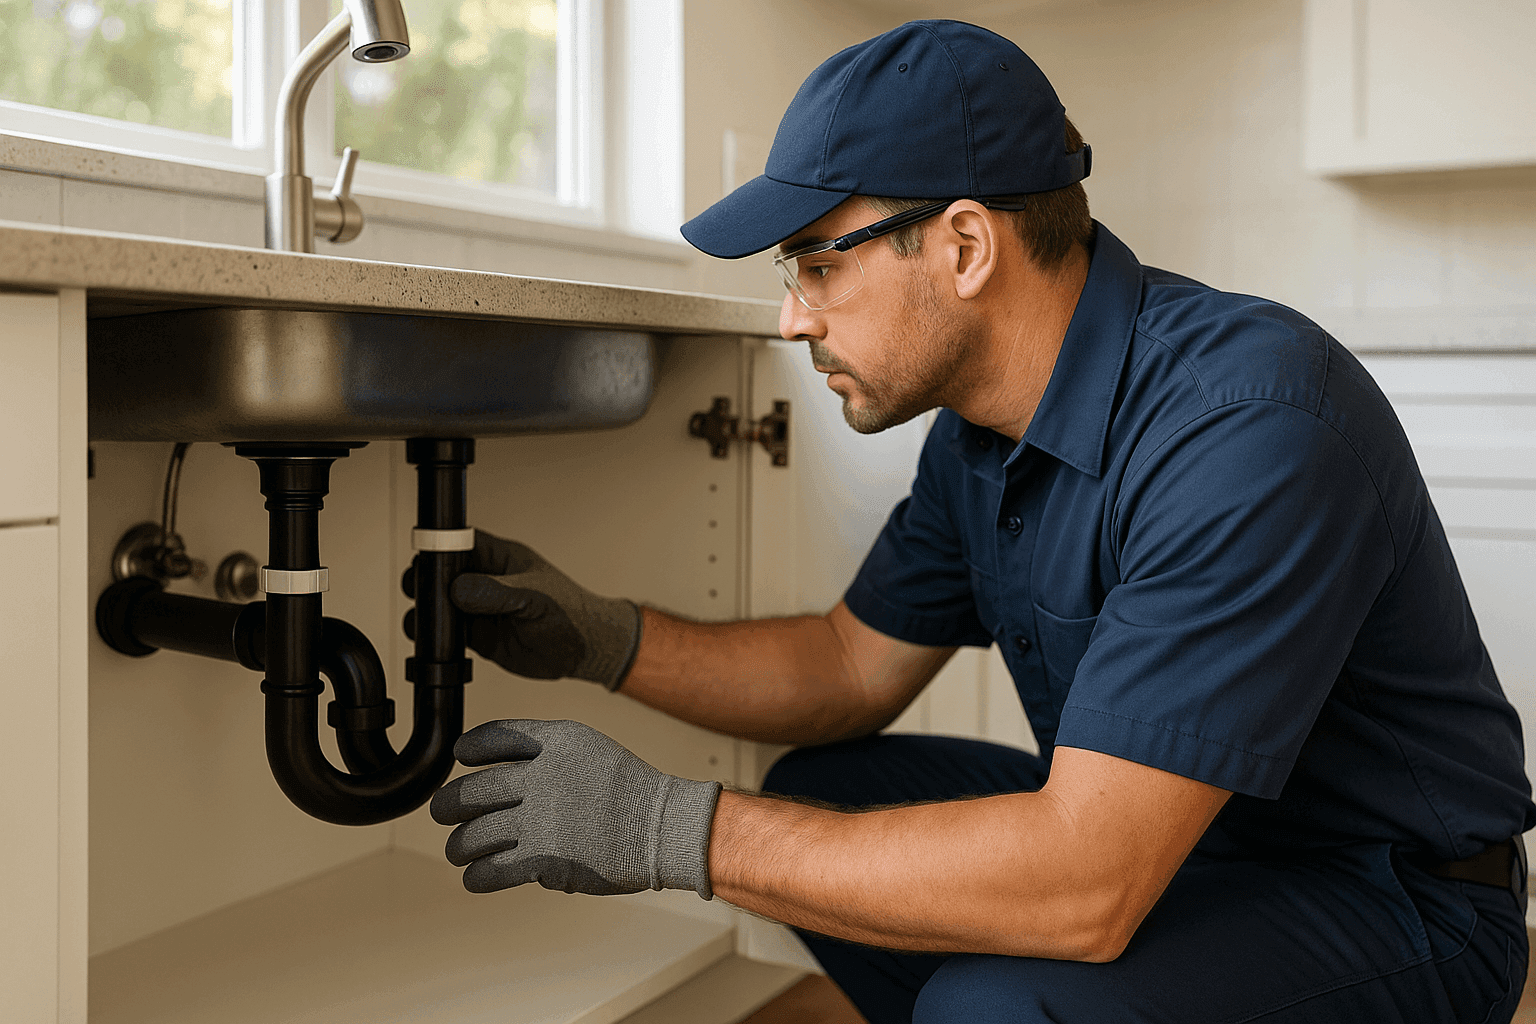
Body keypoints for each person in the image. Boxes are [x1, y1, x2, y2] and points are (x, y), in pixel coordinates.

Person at [426, 19, 1535, 1024]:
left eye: (819, 263)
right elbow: (847, 664)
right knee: (822, 790)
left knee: (993, 1002)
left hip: (1390, 897)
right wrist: (600, 635)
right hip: (1178, 849)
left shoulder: (1248, 427)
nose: (792, 317)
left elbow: (1089, 881)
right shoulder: (979, 435)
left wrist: (669, 828)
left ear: (963, 246)